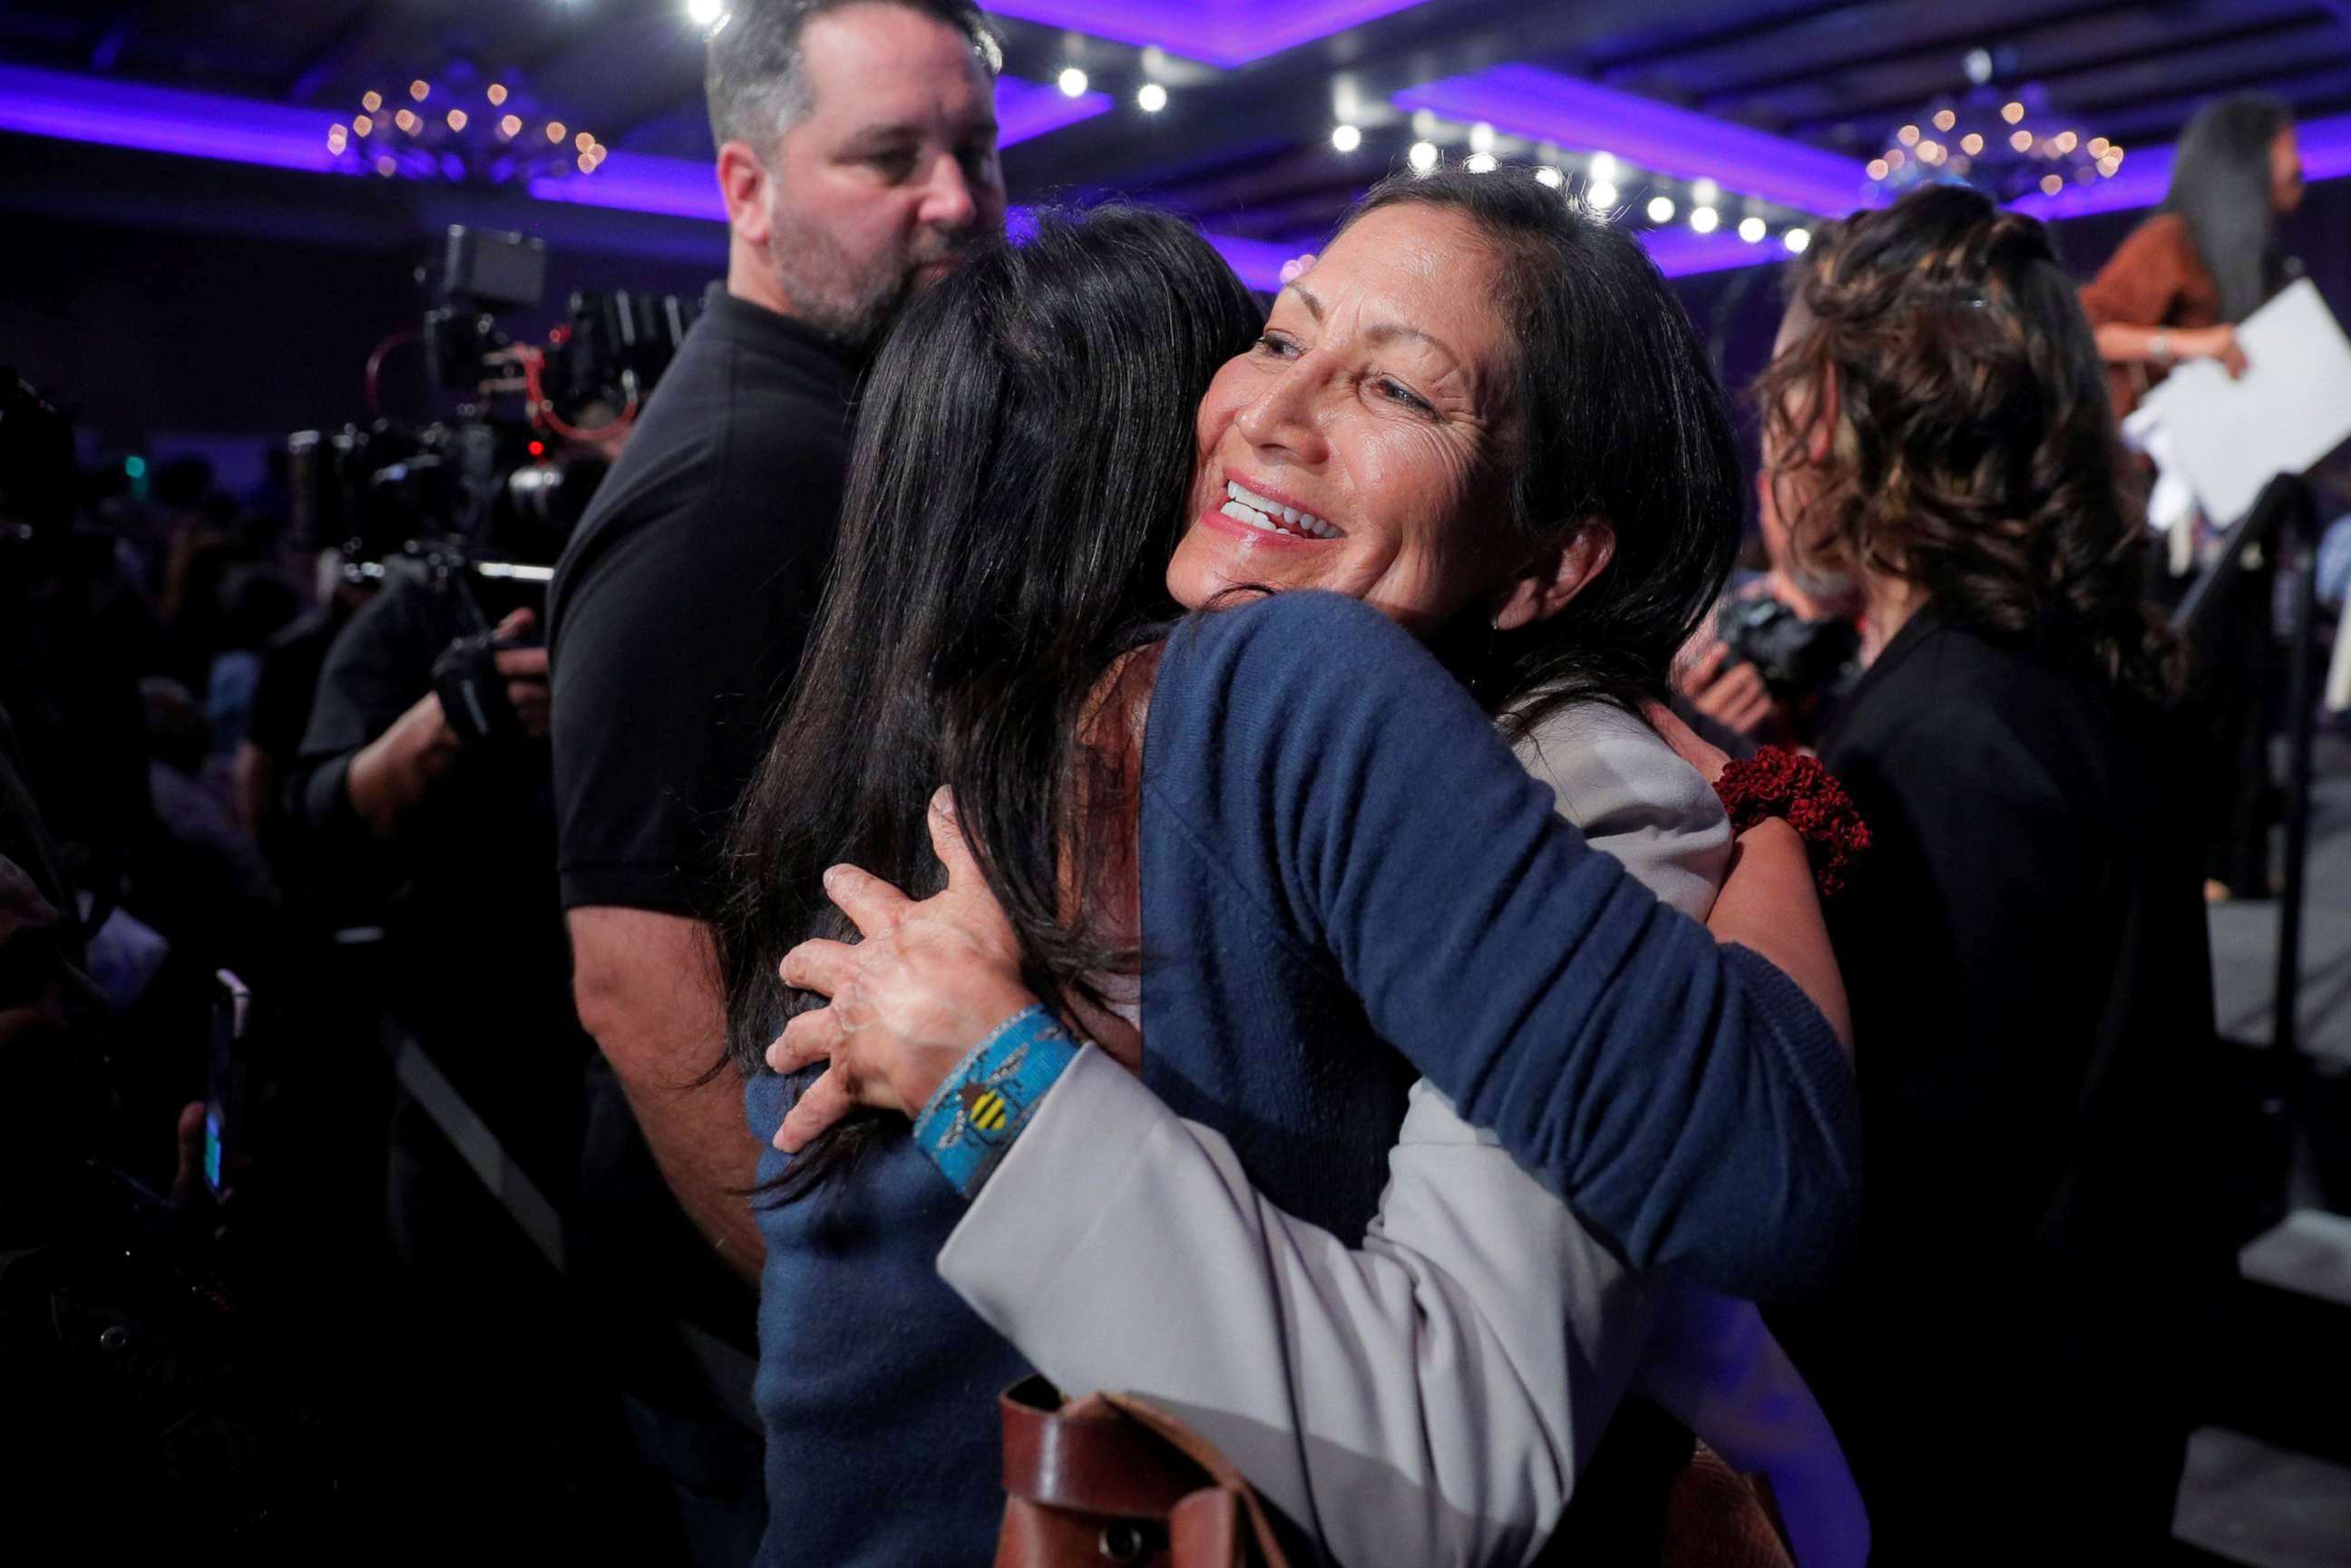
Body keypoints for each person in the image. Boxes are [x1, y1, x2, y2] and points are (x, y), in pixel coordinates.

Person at [720, 190, 1861, 1563]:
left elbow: (1471, 1437)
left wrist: (998, 1083)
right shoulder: (1125, 728)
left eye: (1394, 387)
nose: (1272, 411)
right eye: (1276, 336)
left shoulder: (1497, 757)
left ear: (1554, 559)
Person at [543, 0, 1007, 1553]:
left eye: (973, 148)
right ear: (746, 189)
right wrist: (835, 1315)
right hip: (752, 1327)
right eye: (889, 156)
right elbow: (630, 970)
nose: (953, 198)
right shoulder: (743, 478)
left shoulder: (848, 416)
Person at [1750, 185, 2229, 1563]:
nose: (1770, 434)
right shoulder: (2050, 671)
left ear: (1842, 415)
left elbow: (1913, 1199)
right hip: (2075, 1419)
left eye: (1789, 383)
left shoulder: (1953, 736)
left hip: (1973, 1456)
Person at [2082, 94, 2305, 902]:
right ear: (2245, 160)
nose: (2301, 167)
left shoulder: (2252, 258)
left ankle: (2233, 853)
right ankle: (2190, 853)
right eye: (2288, 149)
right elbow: (2087, 325)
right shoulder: (2169, 240)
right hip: (2176, 518)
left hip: (2243, 513)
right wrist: (2190, 343)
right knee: (2189, 679)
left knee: (2246, 681)